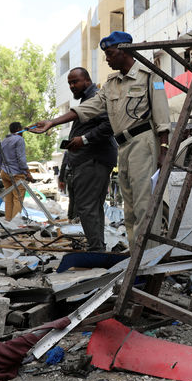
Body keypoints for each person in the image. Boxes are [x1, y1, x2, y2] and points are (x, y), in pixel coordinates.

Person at [32, 31, 170, 245]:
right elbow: (89, 107)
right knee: (130, 208)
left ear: (124, 51)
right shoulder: (111, 83)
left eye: (110, 53)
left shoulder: (150, 76)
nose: (106, 58)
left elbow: (162, 115)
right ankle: (136, 257)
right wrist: (53, 122)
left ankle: (148, 258)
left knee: (145, 205)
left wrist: (164, 149)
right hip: (123, 147)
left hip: (143, 142)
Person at [59, 67, 118, 251]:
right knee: (93, 207)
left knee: (85, 206)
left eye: (75, 81)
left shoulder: (94, 98)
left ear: (86, 80)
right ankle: (98, 246)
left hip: (93, 159)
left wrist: (84, 140)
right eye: (69, 83)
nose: (71, 86)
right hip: (90, 159)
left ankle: (96, 249)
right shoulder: (88, 99)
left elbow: (109, 125)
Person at [0, 122, 33, 222]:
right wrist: (27, 172)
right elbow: (21, 159)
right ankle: (15, 223)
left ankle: (8, 221)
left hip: (4, 172)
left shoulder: (3, 141)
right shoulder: (19, 139)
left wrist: (1, 168)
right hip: (16, 173)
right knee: (18, 198)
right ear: (19, 129)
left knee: (9, 198)